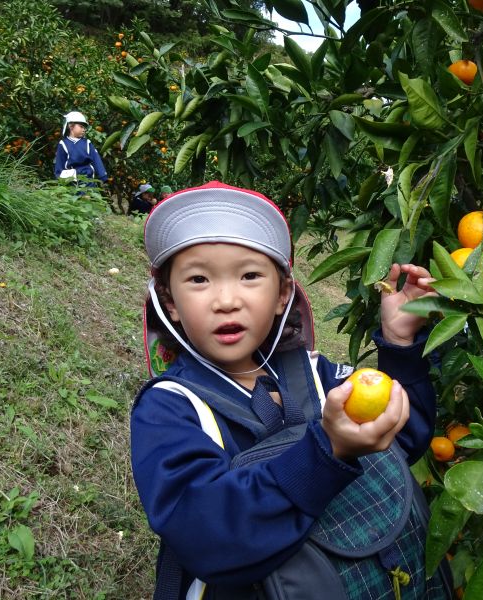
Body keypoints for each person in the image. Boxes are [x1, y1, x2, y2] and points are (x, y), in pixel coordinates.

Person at [130, 181, 450, 599]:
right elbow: (205, 533)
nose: (225, 300)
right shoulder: (169, 409)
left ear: (282, 295)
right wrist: (326, 453)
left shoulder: (317, 376)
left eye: (249, 275)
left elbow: (399, 442)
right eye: (198, 279)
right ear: (170, 302)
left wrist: (400, 344)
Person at [53, 111, 108, 187]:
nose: (84, 129)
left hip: (88, 179)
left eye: (84, 127)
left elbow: (96, 159)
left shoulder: (87, 143)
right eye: (81, 126)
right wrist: (59, 179)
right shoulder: (63, 144)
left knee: (89, 193)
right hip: (71, 181)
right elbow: (59, 164)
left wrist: (103, 177)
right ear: (71, 126)